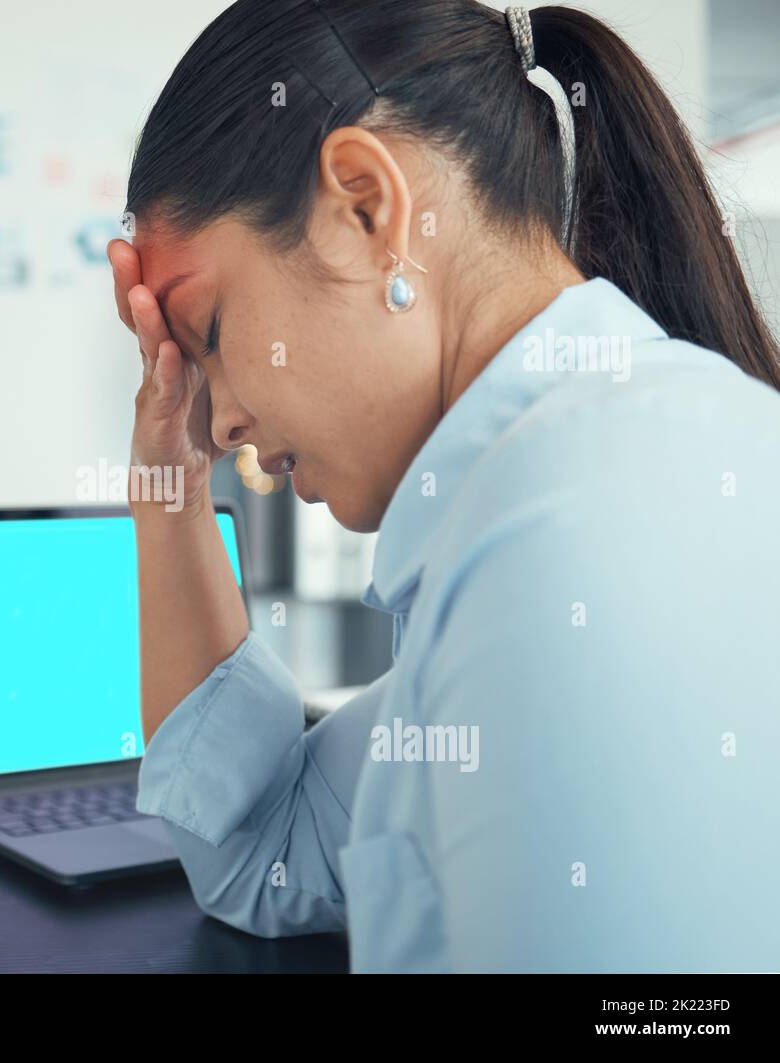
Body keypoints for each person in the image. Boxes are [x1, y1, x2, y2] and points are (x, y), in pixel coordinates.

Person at [106, 0, 780, 971]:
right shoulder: (536, 502)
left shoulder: (571, 542)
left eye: (206, 333)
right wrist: (163, 480)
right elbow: (266, 857)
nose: (219, 427)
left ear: (365, 208)